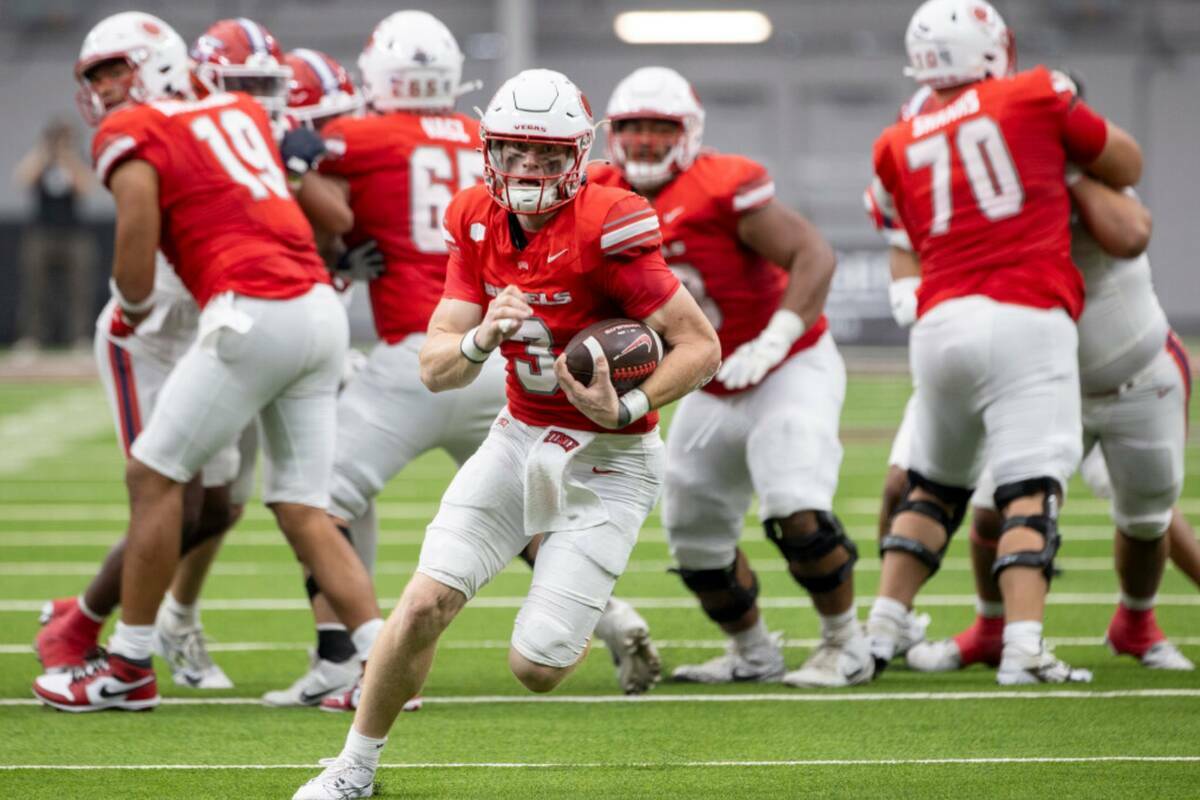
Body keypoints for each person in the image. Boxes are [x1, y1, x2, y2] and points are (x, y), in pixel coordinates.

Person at [292, 68, 720, 799]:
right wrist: (482, 338)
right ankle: (353, 769)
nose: (529, 169)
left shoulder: (608, 221)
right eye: (515, 152)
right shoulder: (475, 219)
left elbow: (699, 345)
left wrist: (626, 404)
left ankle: (585, 607)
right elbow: (434, 367)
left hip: (611, 459)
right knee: (424, 603)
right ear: (490, 150)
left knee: (538, 668)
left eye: (549, 155)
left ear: (578, 156)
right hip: (519, 434)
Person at [269, 13, 664, 708]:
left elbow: (293, 186)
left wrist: (305, 182)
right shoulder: (480, 151)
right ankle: (613, 615)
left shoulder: (364, 136)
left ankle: (351, 655)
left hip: (428, 351)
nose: (528, 169)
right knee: (505, 518)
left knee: (316, 501)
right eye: (518, 157)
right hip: (508, 358)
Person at [31, 11, 383, 712]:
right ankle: (381, 661)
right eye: (95, 76)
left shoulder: (141, 129)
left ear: (156, 65)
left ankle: (126, 663)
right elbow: (319, 216)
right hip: (312, 312)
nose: (104, 89)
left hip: (240, 313)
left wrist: (132, 306)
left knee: (159, 480)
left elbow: (135, 261)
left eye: (115, 71)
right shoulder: (243, 111)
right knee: (297, 507)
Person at [865, 0, 1143, 685]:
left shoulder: (895, 138)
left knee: (930, 488)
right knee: (1028, 491)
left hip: (938, 323)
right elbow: (1126, 160)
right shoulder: (1035, 94)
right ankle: (1023, 649)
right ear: (991, 47)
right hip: (1024, 311)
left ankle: (872, 639)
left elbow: (896, 225)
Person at [587, 66, 868, 688]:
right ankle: (753, 651)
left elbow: (813, 253)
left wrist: (776, 339)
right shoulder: (597, 194)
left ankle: (847, 643)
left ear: (688, 134)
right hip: (707, 378)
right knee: (691, 530)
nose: (644, 142)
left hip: (783, 366)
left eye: (661, 129)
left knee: (796, 505)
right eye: (632, 128)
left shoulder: (721, 186)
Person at [12, 119, 98, 352]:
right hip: (41, 231)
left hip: (74, 233)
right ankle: (31, 338)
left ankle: (79, 338)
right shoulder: (40, 159)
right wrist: (44, 151)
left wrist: (67, 156)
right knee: (34, 289)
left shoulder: (76, 159)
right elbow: (22, 179)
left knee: (79, 289)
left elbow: (85, 188)